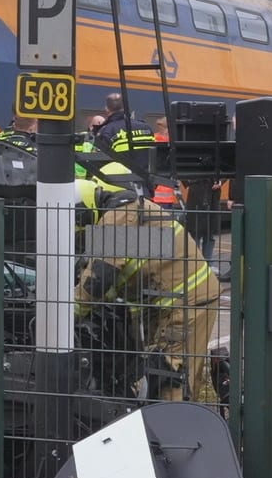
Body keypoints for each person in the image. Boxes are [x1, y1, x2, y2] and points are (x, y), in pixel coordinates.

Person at [73, 173, 219, 404]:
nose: (81, 233)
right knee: (174, 372)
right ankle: (181, 422)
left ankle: (173, 432)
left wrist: (71, 311)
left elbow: (100, 279)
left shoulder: (119, 217)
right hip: (176, 301)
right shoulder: (130, 209)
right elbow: (126, 272)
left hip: (184, 304)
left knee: (170, 374)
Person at [94, 92, 156, 179]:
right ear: (125, 108)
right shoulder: (146, 127)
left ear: (107, 109)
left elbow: (99, 162)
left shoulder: (106, 131)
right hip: (146, 181)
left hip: (121, 183)